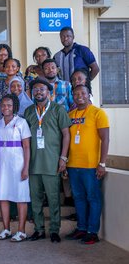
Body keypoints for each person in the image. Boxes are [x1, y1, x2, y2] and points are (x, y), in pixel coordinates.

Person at [24, 78, 71, 243]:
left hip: (52, 163)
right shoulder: (29, 111)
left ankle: (54, 230)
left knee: (53, 199)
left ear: (48, 92)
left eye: (42, 89)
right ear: (31, 92)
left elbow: (66, 134)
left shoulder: (58, 109)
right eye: (35, 89)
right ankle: (38, 230)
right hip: (33, 164)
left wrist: (63, 158)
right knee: (35, 200)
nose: (38, 92)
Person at [65, 85, 109, 245]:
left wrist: (102, 163)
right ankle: (82, 228)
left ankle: (92, 232)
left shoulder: (98, 113)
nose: (79, 96)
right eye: (76, 94)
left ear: (89, 94)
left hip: (91, 166)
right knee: (79, 198)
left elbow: (105, 139)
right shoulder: (70, 115)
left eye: (83, 93)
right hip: (73, 165)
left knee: (93, 198)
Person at [0, 94, 31, 242]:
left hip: (18, 162)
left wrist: (25, 168)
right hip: (1, 162)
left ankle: (21, 231)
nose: (5, 108)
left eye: (9, 105)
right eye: (3, 105)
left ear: (14, 106)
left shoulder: (21, 122)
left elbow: (27, 146)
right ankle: (6, 229)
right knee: (3, 196)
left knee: (21, 196)